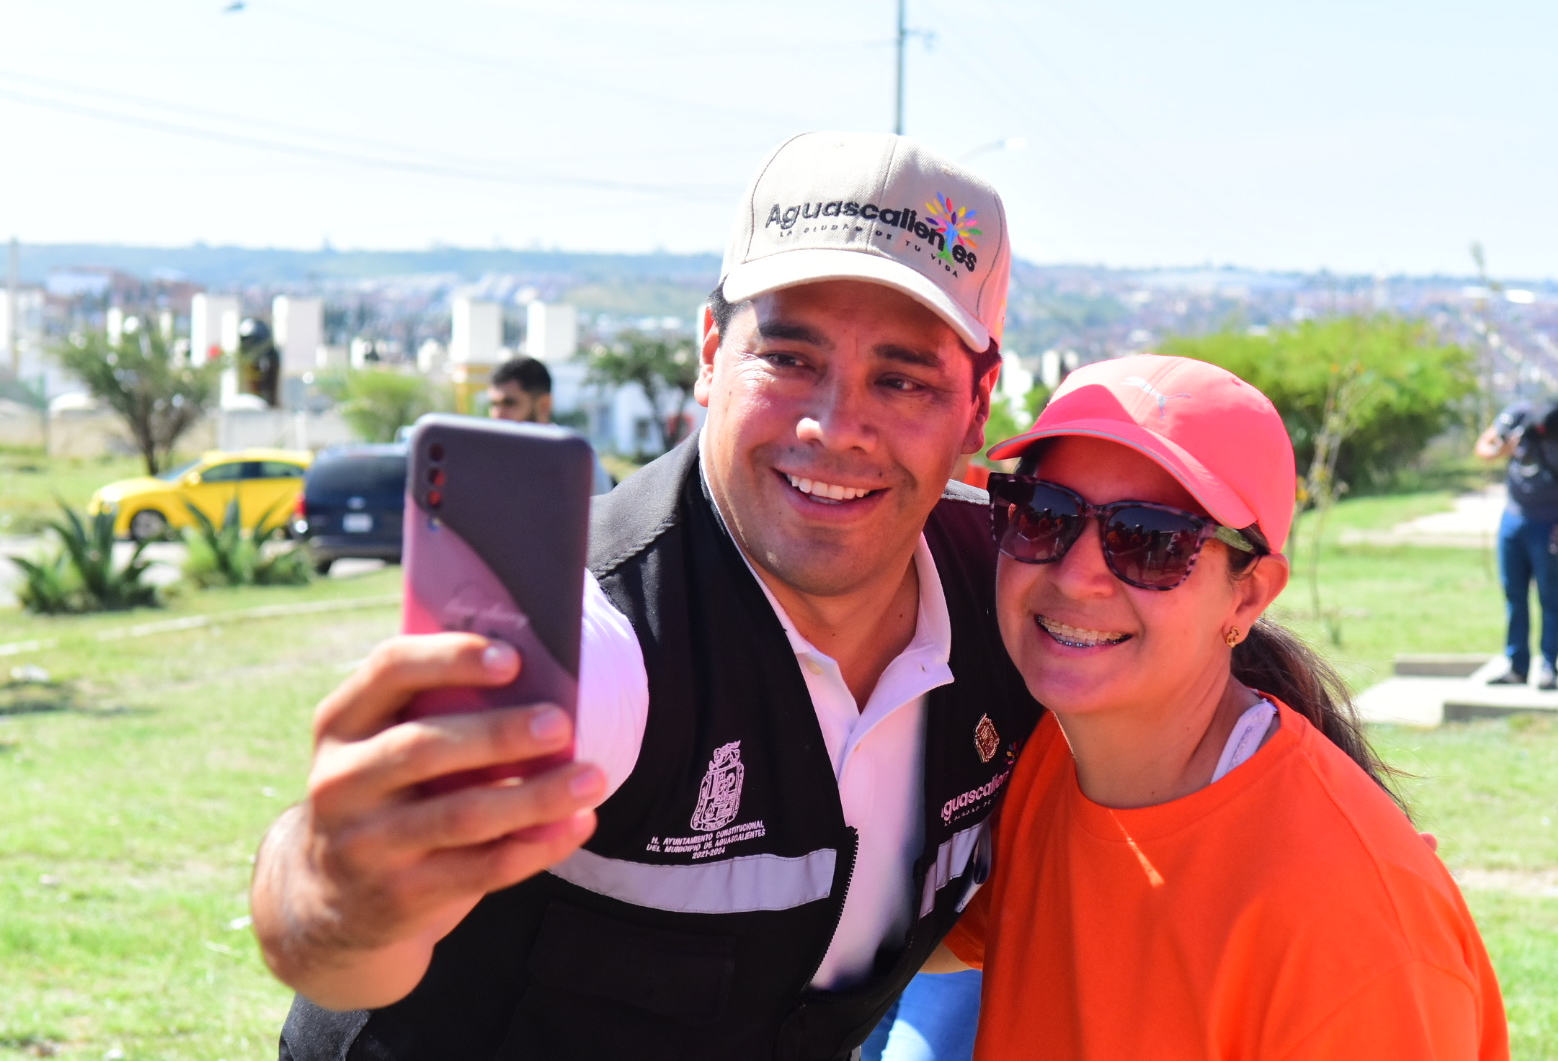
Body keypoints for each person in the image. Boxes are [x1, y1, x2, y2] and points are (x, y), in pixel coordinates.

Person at [253, 131, 1040, 1060]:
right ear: (711, 352)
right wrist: (329, 882)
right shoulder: (596, 628)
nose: (836, 428)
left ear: (978, 405)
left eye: (902, 379)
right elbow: (345, 937)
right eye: (789, 359)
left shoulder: (1010, 600)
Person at [935, 354, 1509, 1059]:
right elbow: (916, 949)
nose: (1077, 576)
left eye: (1151, 540)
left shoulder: (1348, 925)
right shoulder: (1048, 760)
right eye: (1044, 515)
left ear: (1248, 596)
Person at [1474, 398, 1558, 689]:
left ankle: (1549, 668)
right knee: (1514, 596)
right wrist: (1502, 450)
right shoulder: (1517, 417)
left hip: (1551, 526)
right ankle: (1517, 667)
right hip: (1514, 520)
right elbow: (1483, 449)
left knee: (1549, 597)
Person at [489, 353, 615, 494]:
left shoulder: (573, 458)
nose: (497, 414)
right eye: (494, 404)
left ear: (544, 404)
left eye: (509, 403)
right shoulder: (488, 460)